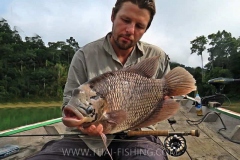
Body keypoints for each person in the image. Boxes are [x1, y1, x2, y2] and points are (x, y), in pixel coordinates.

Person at [27, 0, 170, 159]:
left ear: (145, 30)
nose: (130, 30)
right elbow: (68, 102)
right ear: (113, 16)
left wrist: (163, 102)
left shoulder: (158, 57)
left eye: (139, 26)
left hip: (138, 136)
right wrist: (83, 126)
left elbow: (168, 99)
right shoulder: (84, 55)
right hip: (85, 140)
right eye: (126, 20)